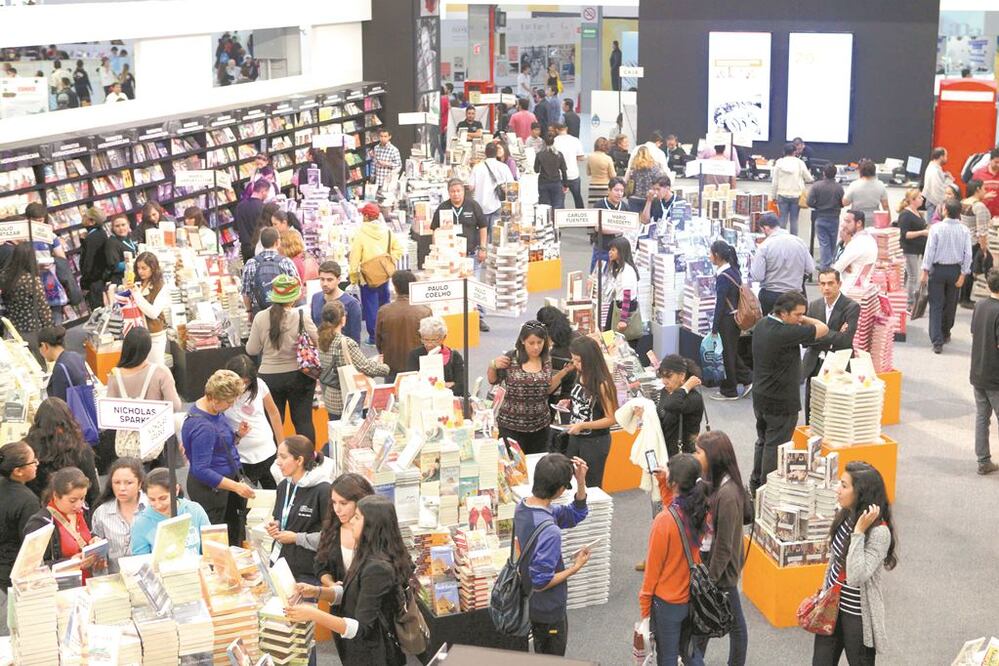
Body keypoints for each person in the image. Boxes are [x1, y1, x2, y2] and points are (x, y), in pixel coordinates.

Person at [284, 495, 412, 666]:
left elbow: (362, 628)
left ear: (372, 526)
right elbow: (355, 593)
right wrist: (317, 592)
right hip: (359, 649)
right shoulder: (365, 553)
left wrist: (314, 614)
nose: (351, 522)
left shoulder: (378, 568)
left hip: (374, 655)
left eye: (357, 517)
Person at [812, 462, 897, 664]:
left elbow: (856, 576)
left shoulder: (878, 532)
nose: (837, 489)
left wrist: (859, 533)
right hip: (831, 607)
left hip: (857, 617)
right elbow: (834, 561)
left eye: (844, 485)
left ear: (860, 493)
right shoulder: (845, 514)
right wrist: (824, 593)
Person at [750, 292, 828, 493]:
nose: (800, 319)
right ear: (783, 313)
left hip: (760, 397)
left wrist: (798, 317)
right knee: (776, 448)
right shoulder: (785, 333)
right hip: (781, 401)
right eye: (797, 315)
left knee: (763, 441)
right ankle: (768, 491)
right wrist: (806, 320)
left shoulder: (762, 325)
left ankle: (756, 482)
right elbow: (823, 328)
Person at [514, 453, 591, 656]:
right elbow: (542, 581)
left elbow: (576, 513)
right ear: (559, 490)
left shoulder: (523, 507)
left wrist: (581, 482)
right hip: (547, 610)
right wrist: (576, 567)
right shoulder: (550, 530)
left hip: (529, 601)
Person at [639, 453, 708, 664]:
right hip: (692, 597)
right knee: (691, 653)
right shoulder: (701, 510)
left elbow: (653, 570)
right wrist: (664, 482)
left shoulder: (663, 522)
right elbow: (677, 511)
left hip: (668, 603)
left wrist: (644, 609)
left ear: (675, 482)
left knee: (667, 658)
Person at [690, 432, 749, 665]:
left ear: (712, 456)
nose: (695, 456)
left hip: (721, 571)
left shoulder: (728, 494)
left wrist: (710, 581)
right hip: (710, 564)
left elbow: (724, 545)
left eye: (698, 451)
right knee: (703, 620)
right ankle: (696, 658)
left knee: (736, 625)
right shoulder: (714, 482)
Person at [182, 370, 256, 546]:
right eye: (229, 402)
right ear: (214, 399)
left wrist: (237, 435)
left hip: (223, 487)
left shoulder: (214, 412)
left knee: (232, 533)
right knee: (217, 542)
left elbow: (217, 448)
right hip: (212, 493)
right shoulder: (203, 426)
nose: (231, 406)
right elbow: (200, 470)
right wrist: (236, 487)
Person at [244, 274, 318, 441]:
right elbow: (319, 342)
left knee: (272, 422)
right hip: (300, 375)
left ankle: (274, 462)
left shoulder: (260, 317)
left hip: (269, 379)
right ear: (294, 297)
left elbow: (252, 349)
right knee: (303, 421)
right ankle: (306, 461)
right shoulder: (301, 315)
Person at [489, 320, 572, 455]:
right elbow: (492, 380)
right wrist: (492, 365)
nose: (536, 347)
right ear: (522, 341)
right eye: (531, 343)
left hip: (540, 427)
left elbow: (547, 389)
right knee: (513, 469)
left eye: (540, 342)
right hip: (511, 427)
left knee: (536, 466)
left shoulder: (547, 360)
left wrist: (564, 372)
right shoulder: (511, 358)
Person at [267, 436, 329, 582]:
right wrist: (275, 525)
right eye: (277, 456)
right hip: (280, 563)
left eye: (283, 457)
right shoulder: (284, 486)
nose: (277, 462)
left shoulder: (323, 490)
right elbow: (279, 517)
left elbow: (330, 537)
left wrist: (296, 538)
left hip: (307, 571)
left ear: (299, 460)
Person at [801, 269, 861, 422]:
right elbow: (805, 340)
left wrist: (818, 333)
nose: (826, 287)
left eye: (830, 283)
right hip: (814, 363)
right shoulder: (814, 306)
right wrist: (834, 334)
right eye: (822, 284)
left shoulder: (851, 307)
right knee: (812, 408)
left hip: (839, 364)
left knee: (836, 410)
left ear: (839, 284)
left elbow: (845, 340)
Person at [24, 397, 101, 513]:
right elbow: (92, 492)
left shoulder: (28, 449)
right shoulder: (82, 450)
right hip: (73, 512)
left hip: (38, 512)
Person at [23, 467, 103, 575]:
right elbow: (31, 567)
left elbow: (86, 534)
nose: (79, 505)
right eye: (72, 500)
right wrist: (69, 563)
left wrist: (93, 539)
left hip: (88, 580)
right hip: (61, 585)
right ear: (56, 496)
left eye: (82, 498)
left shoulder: (83, 510)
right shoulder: (41, 523)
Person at [318, 301, 389, 420]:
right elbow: (365, 366)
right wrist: (385, 368)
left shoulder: (321, 341)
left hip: (330, 397)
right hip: (348, 398)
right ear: (343, 319)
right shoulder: (345, 342)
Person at [565, 336, 619, 487]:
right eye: (573, 360)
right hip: (575, 437)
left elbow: (611, 418)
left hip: (594, 442)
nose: (575, 364)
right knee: (570, 481)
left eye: (579, 361)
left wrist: (583, 426)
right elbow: (585, 402)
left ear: (590, 360)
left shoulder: (603, 384)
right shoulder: (580, 374)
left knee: (590, 485)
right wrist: (570, 402)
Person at [922, 198, 974, 354]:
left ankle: (937, 341)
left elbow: (929, 251)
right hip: (955, 271)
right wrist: (964, 273)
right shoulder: (964, 230)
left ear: (945, 211)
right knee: (951, 304)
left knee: (936, 305)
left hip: (937, 270)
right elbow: (968, 254)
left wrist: (925, 270)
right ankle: (946, 332)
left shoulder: (936, 228)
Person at [223, 355, 282, 490]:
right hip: (241, 458)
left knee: (276, 496)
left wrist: (282, 444)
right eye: (239, 382)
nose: (243, 386)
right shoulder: (223, 393)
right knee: (247, 505)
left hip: (267, 452)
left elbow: (274, 413)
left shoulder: (260, 385)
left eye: (247, 382)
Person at [0, 441, 40, 633]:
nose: (37, 464)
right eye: (33, 462)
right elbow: (29, 546)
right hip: (9, 578)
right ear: (18, 471)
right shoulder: (27, 500)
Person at [105, 328, 182, 427]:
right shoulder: (161, 372)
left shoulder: (115, 375)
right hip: (155, 432)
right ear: (148, 348)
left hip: (126, 436)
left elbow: (109, 410)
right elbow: (175, 406)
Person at [314, 473, 375, 593]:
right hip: (340, 606)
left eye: (343, 503)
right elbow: (320, 566)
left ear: (360, 501)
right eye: (334, 503)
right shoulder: (331, 529)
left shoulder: (377, 531)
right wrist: (331, 584)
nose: (337, 509)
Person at [131, 468, 211, 555]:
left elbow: (211, 546)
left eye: (163, 498)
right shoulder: (141, 523)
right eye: (152, 499)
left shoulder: (195, 510)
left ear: (176, 490)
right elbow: (140, 561)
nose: (158, 505)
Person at [709, 240, 753, 399]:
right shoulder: (734, 270)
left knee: (726, 355)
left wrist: (714, 328)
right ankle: (747, 378)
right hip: (735, 318)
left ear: (717, 256)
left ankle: (730, 390)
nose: (709, 257)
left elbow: (720, 303)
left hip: (726, 320)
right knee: (731, 352)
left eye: (711, 253)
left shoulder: (723, 276)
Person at [751, 213, 815, 315]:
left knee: (772, 327)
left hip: (772, 295)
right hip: (796, 295)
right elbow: (810, 269)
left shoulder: (764, 247)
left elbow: (757, 276)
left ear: (766, 228)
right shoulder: (799, 242)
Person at [90, 458, 146, 572]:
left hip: (149, 576)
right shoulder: (101, 513)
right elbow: (97, 551)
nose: (122, 488)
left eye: (129, 483)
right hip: (115, 578)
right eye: (117, 483)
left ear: (139, 484)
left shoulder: (153, 507)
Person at [375, 270, 432, 378]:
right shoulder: (425, 311)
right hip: (417, 364)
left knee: (393, 392)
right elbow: (430, 339)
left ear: (395, 287)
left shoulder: (384, 311)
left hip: (392, 363)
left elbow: (378, 340)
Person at [1, 242, 52, 361]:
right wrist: (49, 329)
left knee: (25, 365)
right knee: (43, 363)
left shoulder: (4, 276)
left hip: (14, 328)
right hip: (34, 327)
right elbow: (43, 308)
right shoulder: (31, 280)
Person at [971, 269, 999, 475]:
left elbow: (975, 331)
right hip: (995, 375)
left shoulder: (979, 306)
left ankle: (983, 460)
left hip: (978, 371)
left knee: (982, 417)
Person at [124, 251, 170, 365]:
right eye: (138, 268)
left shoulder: (161, 287)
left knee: (155, 369)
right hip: (138, 334)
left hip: (155, 336)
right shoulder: (138, 283)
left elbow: (153, 313)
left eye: (144, 268)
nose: (140, 271)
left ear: (153, 268)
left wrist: (136, 294)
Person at [241, 227, 299, 317]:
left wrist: (249, 311)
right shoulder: (286, 262)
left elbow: (246, 292)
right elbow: (296, 287)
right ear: (277, 242)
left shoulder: (250, 263)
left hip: (259, 312)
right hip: (283, 310)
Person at [655, 356, 704, 456]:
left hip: (683, 456)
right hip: (665, 451)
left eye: (669, 376)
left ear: (682, 376)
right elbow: (661, 414)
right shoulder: (666, 391)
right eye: (662, 377)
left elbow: (671, 404)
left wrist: (686, 387)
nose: (664, 381)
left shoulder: (694, 398)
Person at [407, 316, 465, 394]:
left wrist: (435, 386)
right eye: (425, 340)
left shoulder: (454, 356)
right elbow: (412, 384)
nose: (429, 344)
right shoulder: (414, 355)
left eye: (434, 340)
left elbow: (461, 386)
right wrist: (445, 385)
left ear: (443, 338)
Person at [603, 236, 642, 346]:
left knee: (621, 343)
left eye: (613, 250)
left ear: (621, 251)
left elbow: (627, 296)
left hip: (624, 309)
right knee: (608, 338)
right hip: (617, 306)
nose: (610, 252)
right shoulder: (620, 268)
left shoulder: (627, 271)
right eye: (610, 249)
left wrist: (623, 319)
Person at [959, 180, 992, 308]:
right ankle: (966, 299)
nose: (985, 191)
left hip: (964, 240)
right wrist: (983, 249)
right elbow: (981, 230)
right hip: (974, 242)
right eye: (984, 188)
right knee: (971, 270)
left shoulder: (964, 202)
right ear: (978, 189)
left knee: (964, 268)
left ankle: (962, 297)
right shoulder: (979, 206)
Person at [311, 261, 361, 343]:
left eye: (329, 280)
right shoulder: (315, 298)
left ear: (339, 280)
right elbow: (314, 327)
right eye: (322, 279)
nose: (325, 284)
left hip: (341, 351)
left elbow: (355, 338)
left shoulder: (352, 304)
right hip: (320, 350)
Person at [809, 165, 847, 270]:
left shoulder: (816, 186)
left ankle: (825, 266)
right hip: (834, 217)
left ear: (823, 173)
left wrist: (817, 206)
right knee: (832, 242)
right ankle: (831, 264)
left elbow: (809, 202)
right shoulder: (839, 187)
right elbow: (843, 203)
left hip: (820, 216)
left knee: (824, 243)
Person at [470, 142, 513, 234]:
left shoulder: (477, 167)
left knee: (482, 234)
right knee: (496, 235)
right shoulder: (503, 167)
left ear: (485, 152)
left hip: (480, 206)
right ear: (496, 152)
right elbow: (511, 186)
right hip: (497, 205)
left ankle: (483, 247)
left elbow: (471, 187)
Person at [772, 142, 814, 236]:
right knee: (794, 220)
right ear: (795, 152)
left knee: (782, 219)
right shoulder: (799, 162)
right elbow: (809, 178)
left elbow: (775, 181)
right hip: (796, 195)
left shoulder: (779, 162)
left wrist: (773, 196)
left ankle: (781, 241)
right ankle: (793, 241)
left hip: (782, 194)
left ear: (784, 152)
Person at [897, 189, 930, 308]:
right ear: (912, 200)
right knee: (913, 276)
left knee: (908, 275)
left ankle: (903, 298)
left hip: (917, 249)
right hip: (909, 249)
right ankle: (909, 302)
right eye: (920, 197)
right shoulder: (905, 214)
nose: (922, 199)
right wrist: (922, 232)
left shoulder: (917, 212)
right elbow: (904, 234)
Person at [833, 210, 878, 278]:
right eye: (844, 221)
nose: (843, 225)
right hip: (861, 282)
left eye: (848, 222)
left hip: (849, 284)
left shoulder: (857, 244)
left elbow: (836, 268)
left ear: (859, 223)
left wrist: (845, 243)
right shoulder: (868, 238)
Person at [79, 207, 109, 309]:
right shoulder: (100, 233)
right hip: (99, 279)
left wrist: (84, 283)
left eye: (85, 216)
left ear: (92, 221)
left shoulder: (92, 238)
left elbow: (89, 262)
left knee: (98, 312)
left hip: (95, 282)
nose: (82, 218)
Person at [842, 161, 889, 225]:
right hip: (874, 218)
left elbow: (845, 203)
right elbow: (885, 206)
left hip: (857, 219)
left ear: (860, 171)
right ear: (874, 171)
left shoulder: (854, 185)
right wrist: (888, 220)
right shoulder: (880, 184)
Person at [553, 122, 585, 209]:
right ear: (566, 128)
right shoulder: (575, 140)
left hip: (559, 175)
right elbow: (581, 157)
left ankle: (560, 218)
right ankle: (583, 215)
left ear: (556, 130)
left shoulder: (554, 141)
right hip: (573, 174)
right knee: (577, 197)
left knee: (559, 199)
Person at [235, 180, 269, 262]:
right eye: (267, 192)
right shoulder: (263, 208)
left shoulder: (240, 206)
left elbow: (236, 226)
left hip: (245, 247)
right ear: (263, 191)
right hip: (259, 246)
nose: (267, 195)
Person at [922, 147, 956, 223]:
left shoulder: (934, 168)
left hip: (933, 203)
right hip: (934, 204)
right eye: (946, 156)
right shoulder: (934, 171)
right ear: (941, 157)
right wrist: (949, 180)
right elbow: (938, 189)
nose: (947, 158)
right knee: (933, 228)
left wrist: (944, 176)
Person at [535, 134, 569, 209]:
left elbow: (536, 170)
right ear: (553, 142)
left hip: (543, 182)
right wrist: (565, 184)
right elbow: (564, 170)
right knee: (557, 206)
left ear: (544, 142)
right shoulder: (559, 154)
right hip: (556, 182)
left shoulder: (539, 155)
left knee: (544, 207)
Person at [104, 214, 138, 286]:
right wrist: (133, 262)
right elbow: (114, 267)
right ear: (112, 228)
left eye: (123, 225)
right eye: (117, 226)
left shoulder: (131, 236)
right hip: (121, 280)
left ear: (128, 225)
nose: (121, 228)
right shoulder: (111, 243)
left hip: (135, 276)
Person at [586, 138, 617, 206]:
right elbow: (612, 175)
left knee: (593, 207)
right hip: (605, 186)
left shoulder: (590, 157)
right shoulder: (608, 158)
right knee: (605, 207)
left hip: (593, 186)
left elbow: (588, 173)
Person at [971, 148, 999, 220]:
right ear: (990, 160)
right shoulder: (978, 174)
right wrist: (984, 197)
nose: (998, 165)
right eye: (996, 162)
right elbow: (971, 196)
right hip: (982, 215)